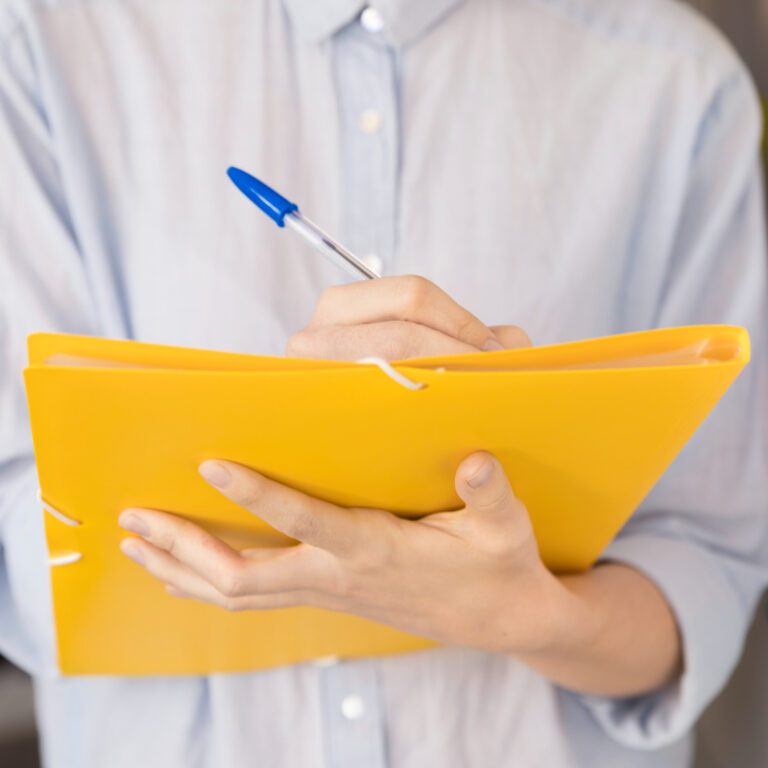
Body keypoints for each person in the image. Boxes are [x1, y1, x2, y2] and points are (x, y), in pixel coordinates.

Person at [1, 1, 767, 766]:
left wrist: (526, 615)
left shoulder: (679, 86)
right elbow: (31, 555)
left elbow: (705, 567)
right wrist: (311, 458)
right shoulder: (45, 41)